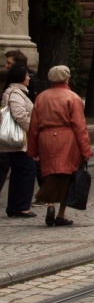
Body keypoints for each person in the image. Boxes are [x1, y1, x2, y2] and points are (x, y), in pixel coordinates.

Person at [26, 65, 93, 227]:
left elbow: (33, 126)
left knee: (49, 174)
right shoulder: (73, 98)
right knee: (67, 176)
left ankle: (50, 205)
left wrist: (32, 149)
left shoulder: (41, 97)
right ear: (66, 78)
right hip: (66, 139)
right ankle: (61, 214)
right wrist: (86, 150)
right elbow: (79, 126)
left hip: (45, 138)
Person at [2, 63, 36, 218]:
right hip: (19, 140)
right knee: (26, 171)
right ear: (21, 77)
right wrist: (33, 129)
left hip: (17, 140)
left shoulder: (14, 91)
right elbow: (19, 115)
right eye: (27, 75)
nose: (29, 77)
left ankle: (14, 206)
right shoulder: (16, 93)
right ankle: (21, 206)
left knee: (18, 172)